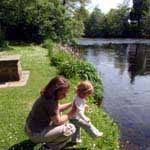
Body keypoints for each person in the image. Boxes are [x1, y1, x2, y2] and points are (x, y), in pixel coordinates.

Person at [25, 76, 76, 150]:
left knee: (62, 118)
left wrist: (72, 104)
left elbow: (57, 109)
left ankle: (48, 141)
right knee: (71, 128)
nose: (65, 96)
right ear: (55, 91)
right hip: (35, 134)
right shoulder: (50, 102)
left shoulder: (48, 96)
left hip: (30, 128)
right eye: (63, 93)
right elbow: (57, 121)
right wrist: (71, 113)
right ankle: (50, 147)